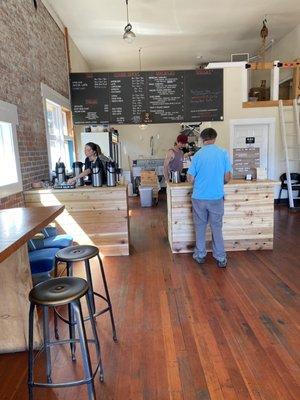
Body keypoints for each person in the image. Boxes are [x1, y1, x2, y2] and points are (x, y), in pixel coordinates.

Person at [187, 128, 232, 268]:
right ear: (215, 137)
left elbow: (190, 178)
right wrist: (219, 183)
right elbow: (227, 177)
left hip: (199, 197)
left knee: (200, 227)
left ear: (202, 139)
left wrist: (199, 182)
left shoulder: (198, 155)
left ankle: (200, 255)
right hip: (216, 197)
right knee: (216, 227)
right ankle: (221, 257)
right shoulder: (223, 153)